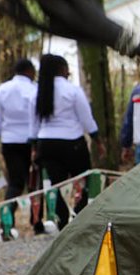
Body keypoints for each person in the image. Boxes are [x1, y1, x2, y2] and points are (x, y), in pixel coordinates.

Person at [31, 53, 104, 230]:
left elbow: (33, 124)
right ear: (62, 69)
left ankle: (63, 221)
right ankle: (80, 214)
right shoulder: (72, 90)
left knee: (56, 186)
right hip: (72, 143)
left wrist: (34, 147)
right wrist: (97, 140)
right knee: (83, 181)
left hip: (46, 144)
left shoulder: (38, 93)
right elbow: (86, 119)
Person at [0, 57, 45, 235]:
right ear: (30, 71)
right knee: (34, 184)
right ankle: (37, 223)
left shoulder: (3, 89)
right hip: (31, 141)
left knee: (15, 183)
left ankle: (6, 223)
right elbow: (38, 117)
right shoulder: (35, 89)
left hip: (9, 141)